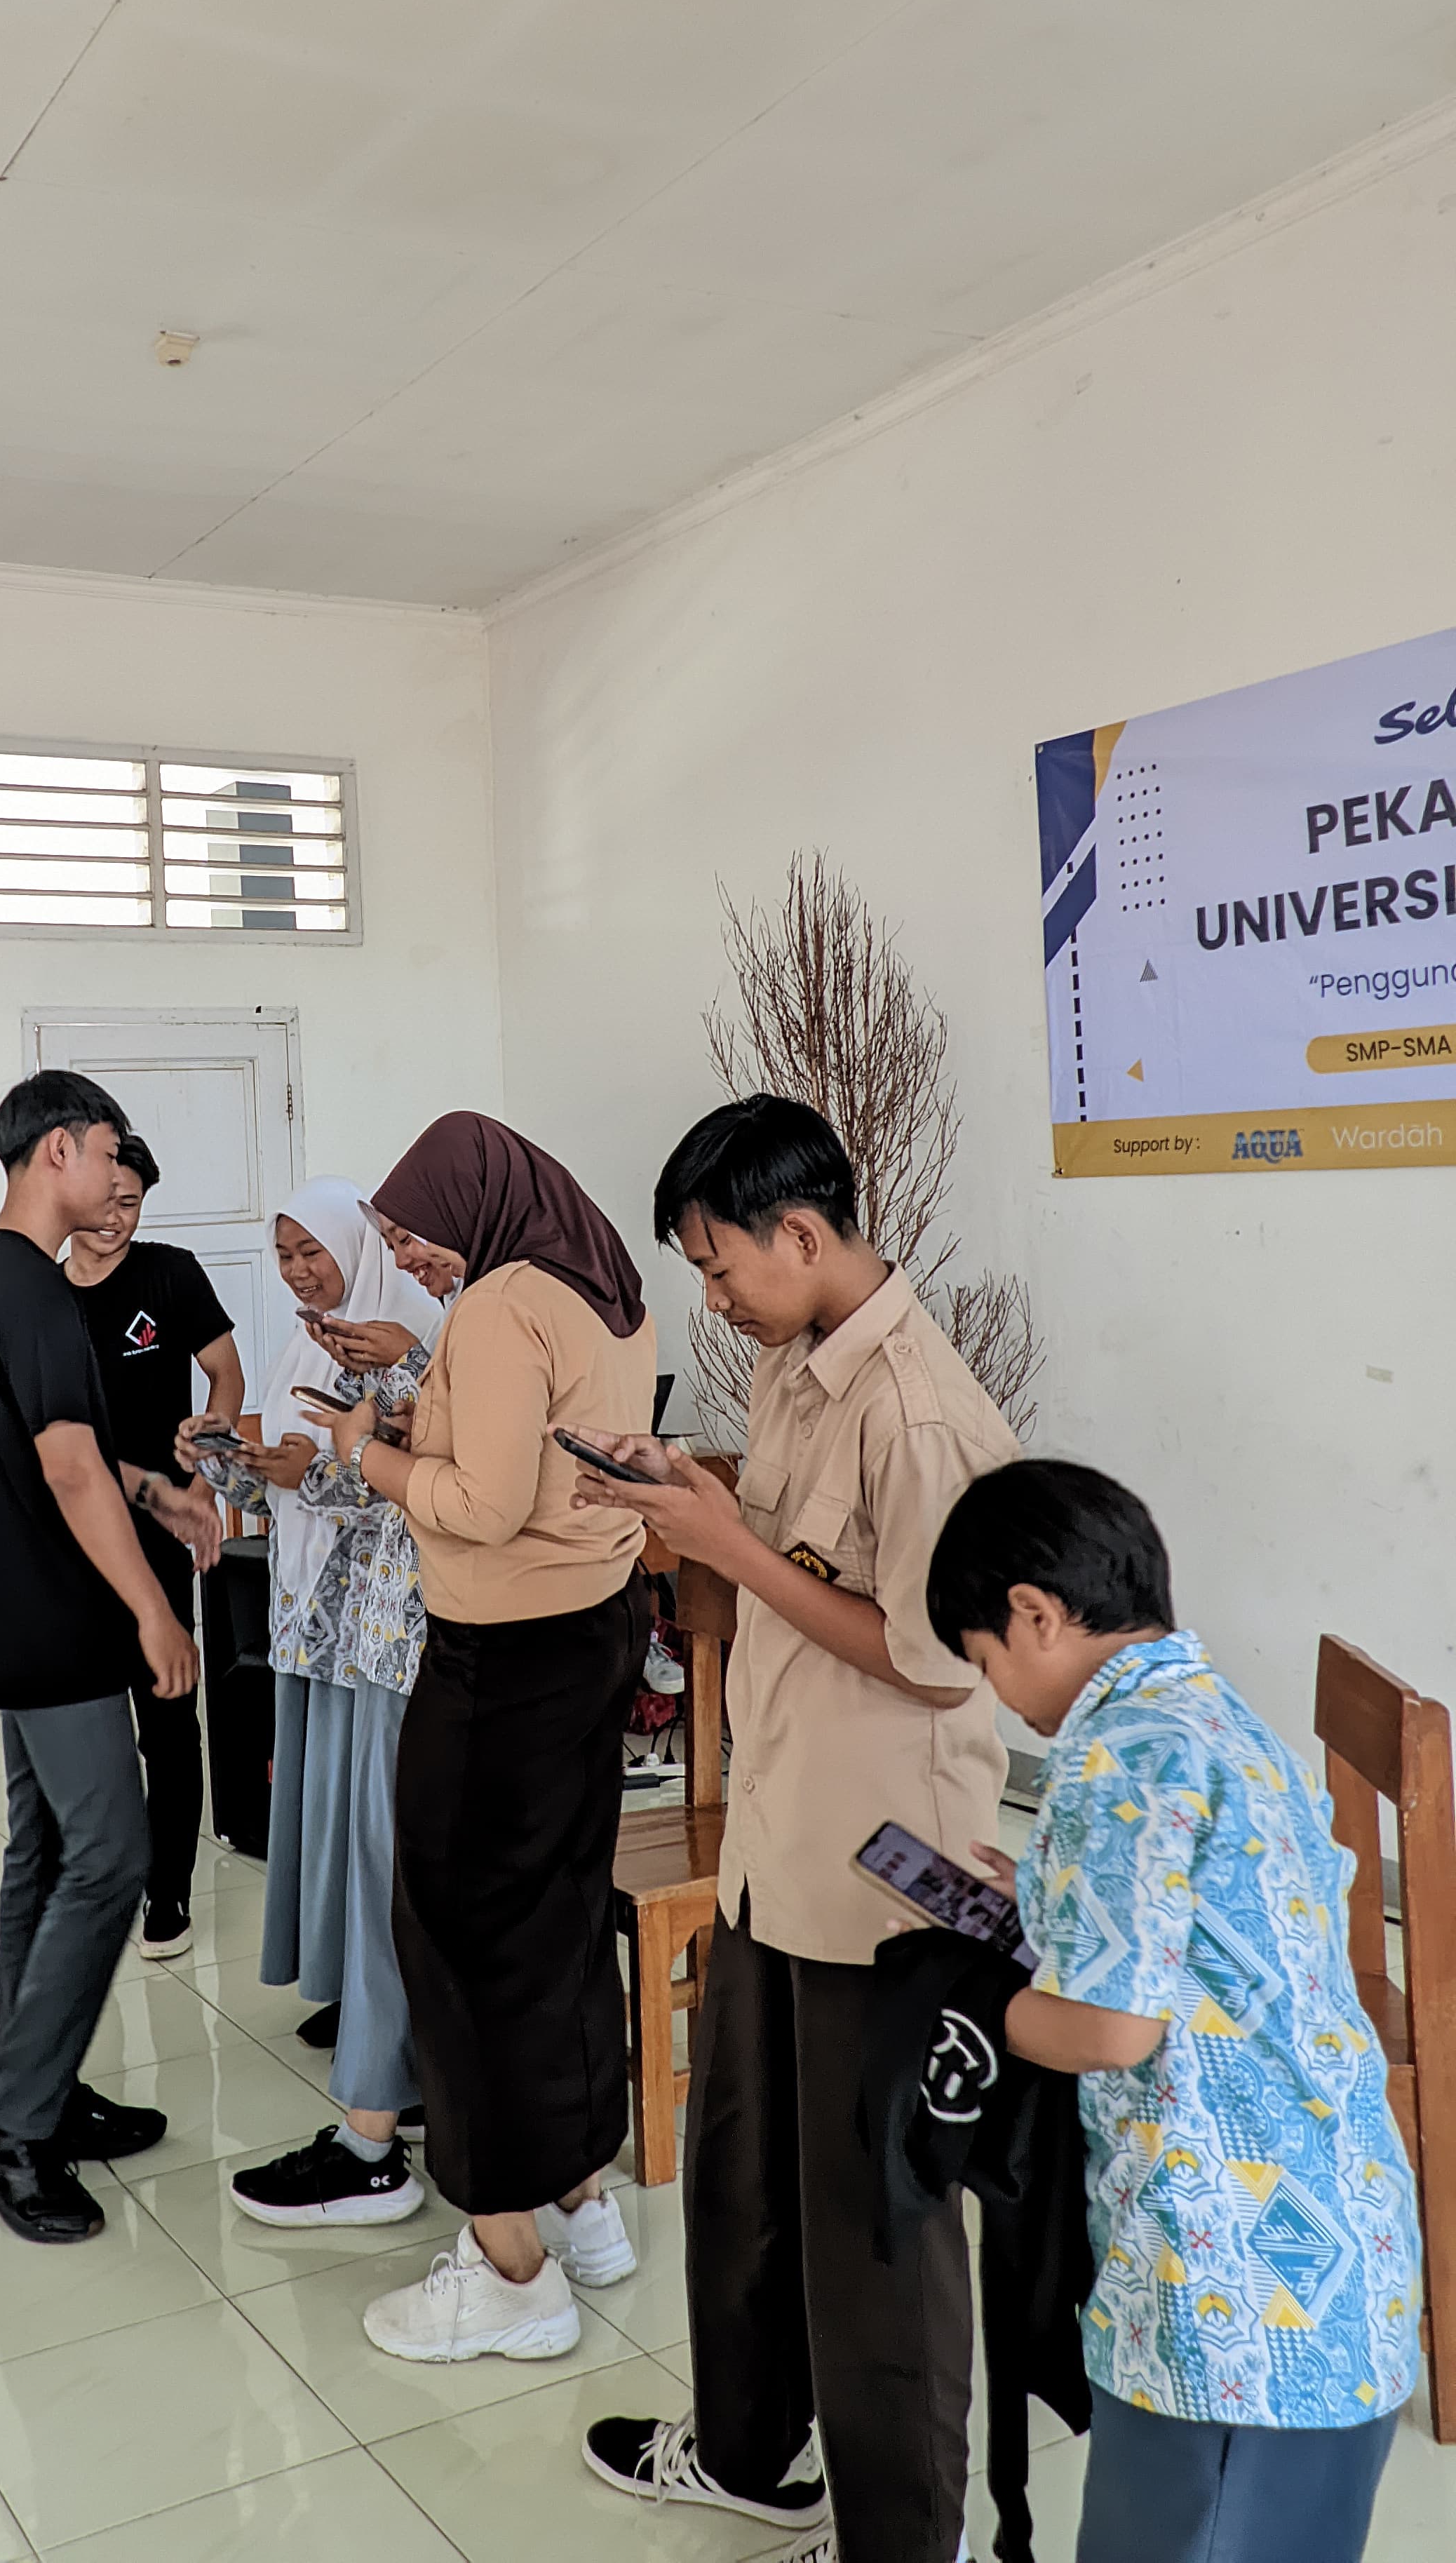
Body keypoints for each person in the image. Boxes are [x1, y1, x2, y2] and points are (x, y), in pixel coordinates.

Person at [574, 1096, 1016, 2563]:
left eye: (720, 1264)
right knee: (745, 2158)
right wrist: (690, 1499)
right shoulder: (793, 1362)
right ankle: (754, 2451)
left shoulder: (922, 1408)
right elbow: (783, 1544)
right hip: (780, 1836)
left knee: (876, 2214)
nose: (713, 1295)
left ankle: (905, 2537)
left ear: (804, 1232)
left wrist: (729, 1545)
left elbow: (942, 1656)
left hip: (888, 1867)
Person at [926, 1460, 1421, 2563]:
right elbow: (1208, 1932)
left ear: (1036, 1615)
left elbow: (1109, 2032)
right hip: (1337, 2254)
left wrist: (965, 1999)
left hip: (1233, 2299)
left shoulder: (1115, 1756)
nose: (999, 1694)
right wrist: (1053, 1905)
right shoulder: (1212, 1716)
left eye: (987, 1662)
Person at [336, 1112, 657, 2364]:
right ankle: (584, 2202)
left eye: (413, 1235)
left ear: (474, 1204)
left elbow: (484, 1505)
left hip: (501, 1664)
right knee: (562, 1924)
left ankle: (508, 2267)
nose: (409, 1259)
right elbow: (535, 1455)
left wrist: (369, 1454)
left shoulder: (501, 1303)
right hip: (592, 1635)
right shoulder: (602, 1284)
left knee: (460, 1944)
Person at [0, 1070, 220, 2247]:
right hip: (59, 1620)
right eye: (111, 1151)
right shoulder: (39, 1293)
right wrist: (155, 1613)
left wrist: (156, 1491)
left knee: (46, 1850)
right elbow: (64, 1468)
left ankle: (40, 2091)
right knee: (110, 1852)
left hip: (12, 1611)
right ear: (61, 1149)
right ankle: (9, 2124)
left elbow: (85, 1460)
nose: (122, 1174)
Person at [188, 1180, 440, 2227]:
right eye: (283, 1253)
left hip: (388, 1629)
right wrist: (228, 1463)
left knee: (383, 1838)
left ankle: (394, 2081)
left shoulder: (416, 1334)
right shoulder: (309, 1348)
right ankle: (366, 2017)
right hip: (318, 1626)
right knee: (336, 1822)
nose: (298, 1270)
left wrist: (317, 1468)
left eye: (311, 1250)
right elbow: (284, 1490)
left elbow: (405, 1476)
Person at [63, 1130, 243, 1960]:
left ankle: (166, 1892)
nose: (118, 1219)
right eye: (108, 1202)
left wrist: (207, 1463)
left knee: (168, 1719)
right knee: (87, 1728)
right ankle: (96, 1875)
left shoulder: (169, 1273)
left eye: (132, 1204)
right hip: (70, 1537)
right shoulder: (42, 1293)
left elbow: (225, 1372)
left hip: (163, 1524)